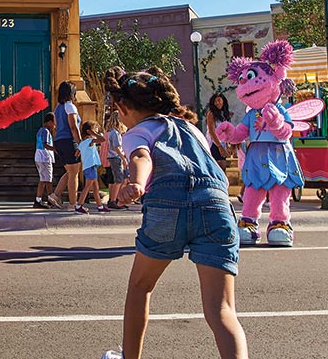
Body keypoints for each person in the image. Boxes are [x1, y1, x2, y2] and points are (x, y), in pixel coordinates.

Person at [100, 67, 247, 359]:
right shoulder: (191, 128)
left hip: (168, 203)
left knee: (141, 287)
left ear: (123, 107)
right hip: (215, 204)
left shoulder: (139, 131)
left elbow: (141, 156)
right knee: (222, 310)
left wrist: (136, 184)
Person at [47, 81, 82, 210]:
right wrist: (81, 143)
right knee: (74, 174)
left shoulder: (57, 108)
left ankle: (56, 195)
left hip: (59, 141)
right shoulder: (70, 106)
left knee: (70, 171)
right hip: (69, 140)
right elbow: (73, 127)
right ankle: (73, 204)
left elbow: (56, 127)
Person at [75, 120, 108, 214]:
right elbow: (102, 139)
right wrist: (95, 134)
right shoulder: (90, 141)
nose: (97, 132)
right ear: (89, 131)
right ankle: (79, 205)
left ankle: (100, 206)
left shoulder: (82, 143)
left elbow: (77, 153)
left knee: (96, 187)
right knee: (87, 187)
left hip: (87, 167)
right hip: (91, 166)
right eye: (95, 130)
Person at [105, 111, 128, 210]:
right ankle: (114, 200)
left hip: (113, 156)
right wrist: (123, 158)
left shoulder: (111, 132)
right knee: (118, 180)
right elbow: (116, 147)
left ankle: (114, 199)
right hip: (116, 157)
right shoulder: (115, 133)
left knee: (117, 179)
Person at [33, 113, 56, 208]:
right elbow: (45, 144)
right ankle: (47, 199)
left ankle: (46, 199)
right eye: (54, 123)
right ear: (50, 122)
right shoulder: (45, 131)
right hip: (44, 158)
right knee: (46, 180)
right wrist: (55, 149)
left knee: (45, 179)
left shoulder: (41, 131)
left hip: (41, 157)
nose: (55, 125)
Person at [206, 93, 233, 170]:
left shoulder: (225, 114)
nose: (217, 103)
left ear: (223, 101)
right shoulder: (211, 114)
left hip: (223, 142)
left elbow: (228, 131)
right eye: (215, 101)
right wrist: (219, 147)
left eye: (218, 100)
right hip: (214, 143)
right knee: (218, 166)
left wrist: (228, 145)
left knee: (223, 167)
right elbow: (212, 131)